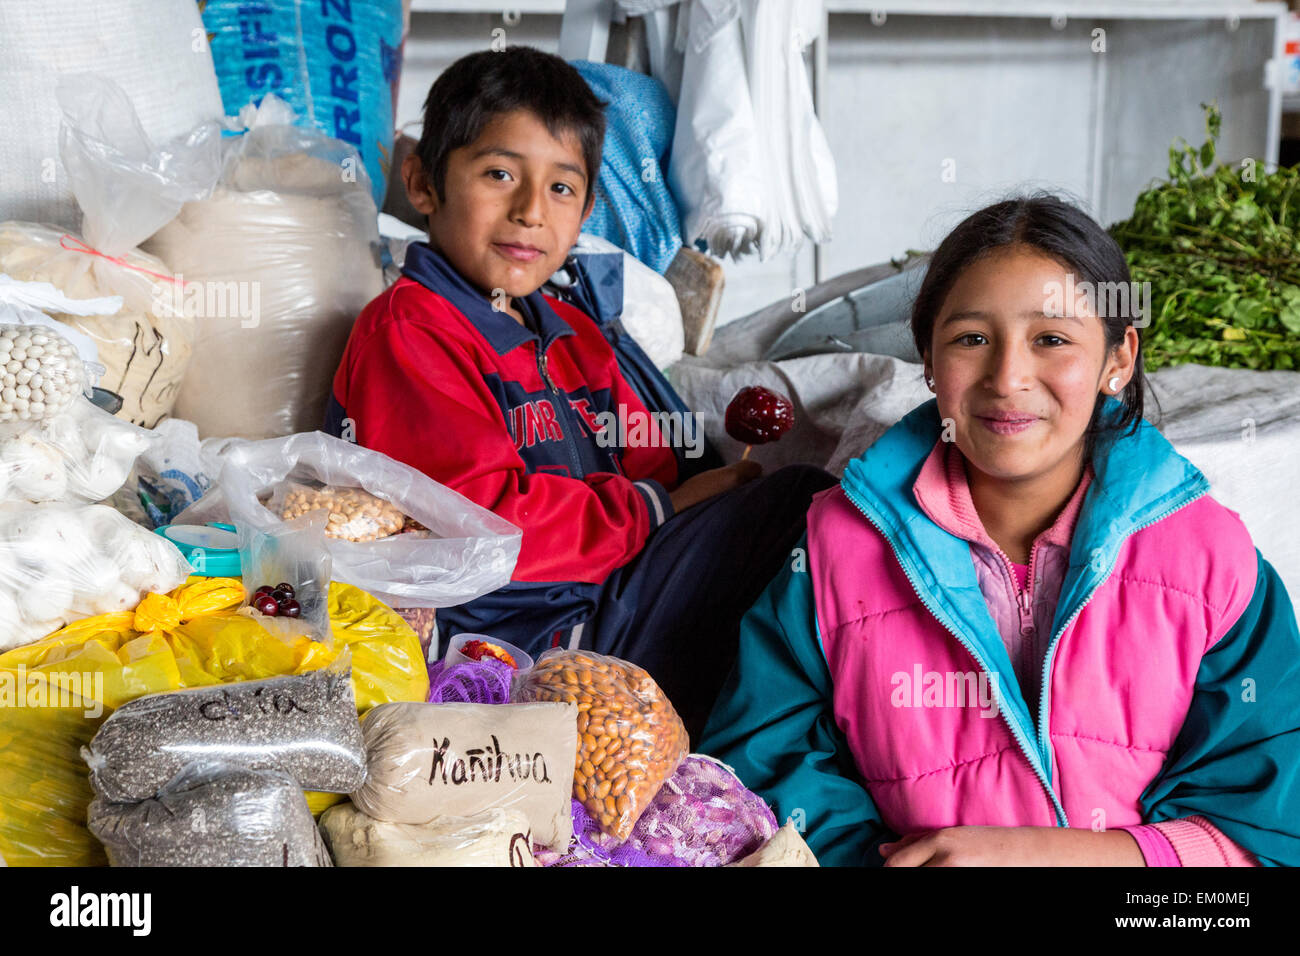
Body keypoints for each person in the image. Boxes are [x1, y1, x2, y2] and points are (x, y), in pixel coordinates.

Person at [700, 194, 1300, 866]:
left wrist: (1050, 855)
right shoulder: (837, 548)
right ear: (928, 358)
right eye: (971, 339)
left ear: (1118, 358)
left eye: (1051, 339)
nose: (1009, 378)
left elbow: (1270, 825)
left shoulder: (1207, 560)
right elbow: (760, 767)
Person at [326, 46, 833, 738]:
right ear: (421, 184)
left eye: (562, 188)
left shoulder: (568, 327)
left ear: (587, 208)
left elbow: (651, 458)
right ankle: (747, 742)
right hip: (527, 639)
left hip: (613, 588)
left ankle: (776, 738)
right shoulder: (411, 330)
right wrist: (661, 509)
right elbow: (480, 527)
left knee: (822, 514)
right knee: (802, 508)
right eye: (499, 174)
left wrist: (704, 486)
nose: (531, 211)